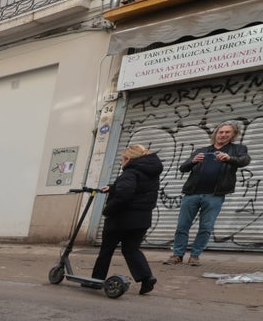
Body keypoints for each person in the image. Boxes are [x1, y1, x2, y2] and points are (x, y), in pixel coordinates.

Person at [166, 121, 251, 266]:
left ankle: (195, 255)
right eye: (220, 132)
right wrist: (193, 161)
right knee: (182, 226)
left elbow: (244, 160)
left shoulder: (237, 149)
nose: (223, 135)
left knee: (206, 227)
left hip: (214, 195)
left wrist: (228, 158)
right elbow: (183, 168)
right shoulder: (202, 150)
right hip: (192, 194)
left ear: (233, 135)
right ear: (215, 133)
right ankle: (177, 255)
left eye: (227, 132)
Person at [93, 144, 162, 295]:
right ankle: (147, 278)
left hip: (121, 219)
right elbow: (139, 189)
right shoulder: (151, 173)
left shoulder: (130, 172)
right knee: (131, 249)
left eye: (122, 159)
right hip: (142, 219)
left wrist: (108, 210)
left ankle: (96, 281)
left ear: (129, 159)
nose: (120, 162)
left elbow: (125, 194)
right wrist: (113, 187)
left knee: (106, 250)